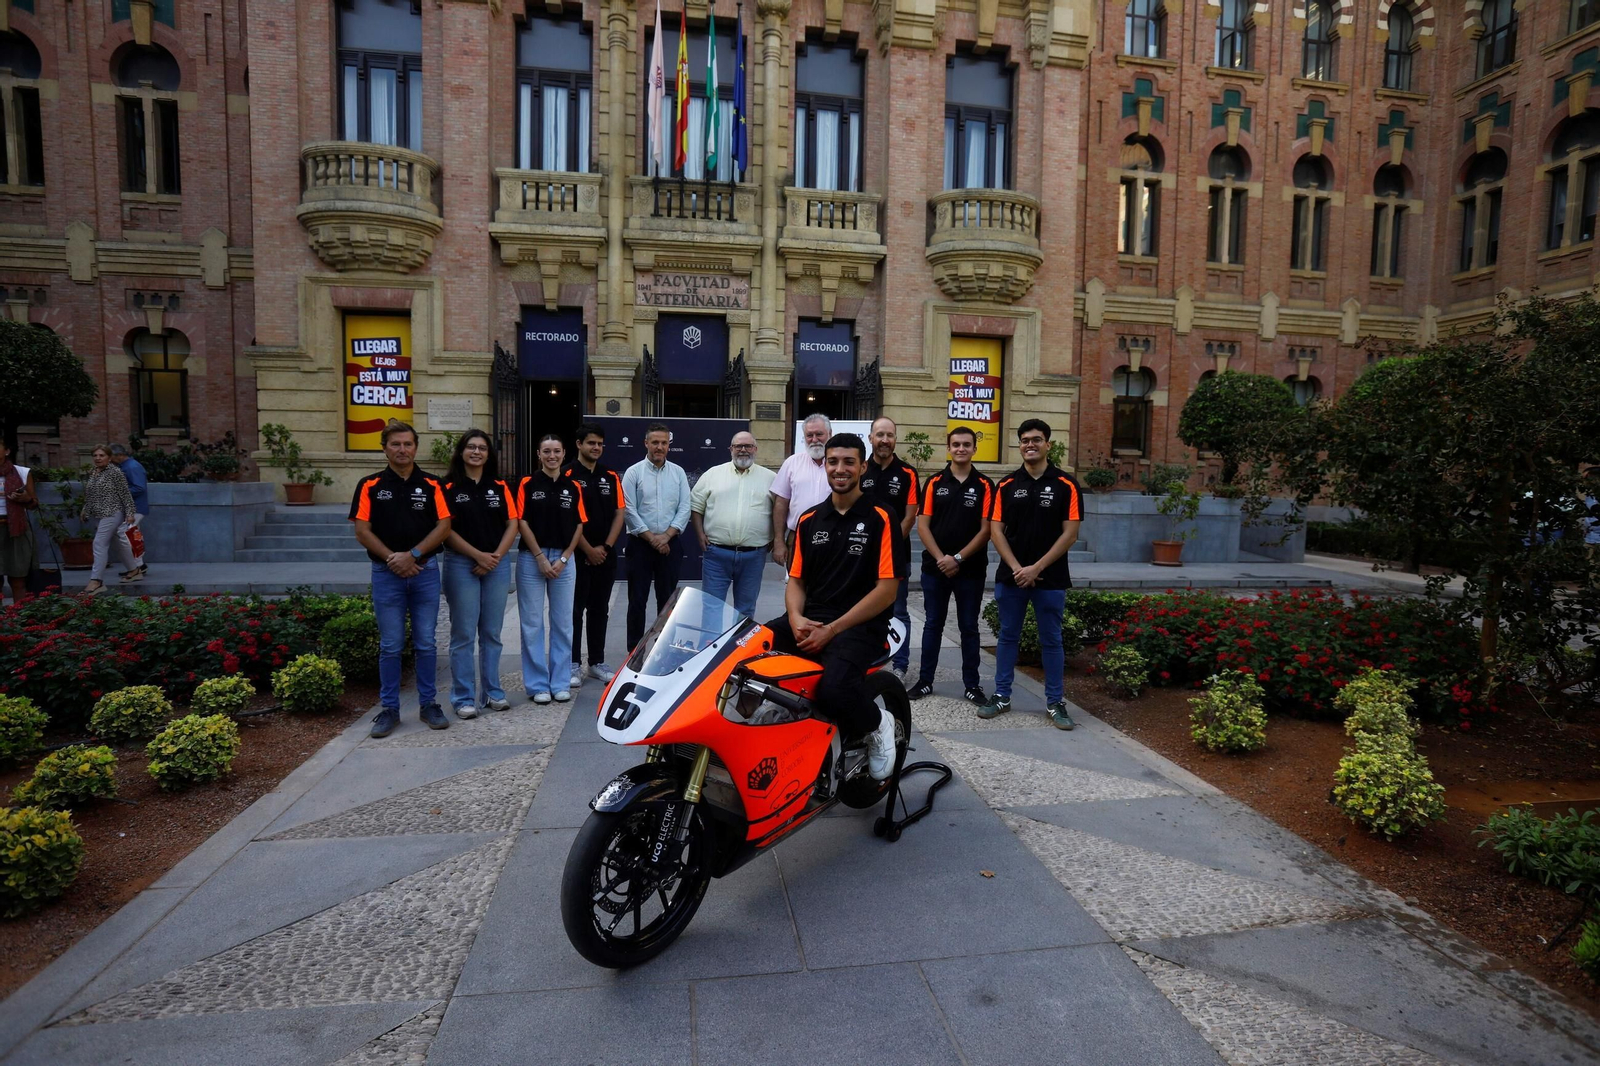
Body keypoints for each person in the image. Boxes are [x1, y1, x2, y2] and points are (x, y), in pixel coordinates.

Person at [769, 433, 902, 780]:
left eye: (848, 462)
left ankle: (878, 725)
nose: (840, 469)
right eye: (833, 461)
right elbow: (796, 581)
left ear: (862, 467)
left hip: (860, 626)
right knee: (749, 650)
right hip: (811, 617)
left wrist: (832, 630)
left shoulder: (881, 517)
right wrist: (795, 618)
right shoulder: (809, 519)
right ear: (824, 465)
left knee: (834, 690)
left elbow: (887, 591)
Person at [350, 420, 452, 738]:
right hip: (386, 574)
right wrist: (393, 559)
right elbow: (362, 531)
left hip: (424, 572)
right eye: (395, 444)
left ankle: (428, 704)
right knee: (391, 645)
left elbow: (444, 526)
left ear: (416, 448)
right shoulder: (369, 485)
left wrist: (414, 554)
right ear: (384, 448)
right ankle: (389, 709)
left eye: (408, 444)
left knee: (426, 643)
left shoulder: (433, 484)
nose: (402, 449)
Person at [985, 419, 1084, 729]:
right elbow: (996, 531)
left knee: (1052, 640)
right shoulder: (1006, 485)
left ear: (1048, 445)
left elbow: (1070, 534)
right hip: (1012, 577)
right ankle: (1002, 695)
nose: (1030, 444)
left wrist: (1037, 568)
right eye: (1025, 440)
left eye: (1037, 439)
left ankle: (1055, 702)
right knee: (1007, 637)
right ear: (1020, 445)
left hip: (1050, 578)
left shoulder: (1066, 485)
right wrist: (1018, 569)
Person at [907, 426, 994, 705]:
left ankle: (972, 685)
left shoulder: (985, 485)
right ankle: (925, 681)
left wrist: (957, 558)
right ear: (948, 448)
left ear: (974, 449)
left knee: (969, 627)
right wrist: (942, 558)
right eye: (956, 444)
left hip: (971, 570)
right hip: (935, 569)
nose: (961, 449)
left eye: (966, 444)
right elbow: (923, 526)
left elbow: (986, 530)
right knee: (933, 624)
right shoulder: (934, 482)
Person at [441, 429, 518, 720]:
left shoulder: (499, 486)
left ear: (489, 454)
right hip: (461, 564)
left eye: (482, 448)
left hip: (496, 565)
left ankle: (493, 692)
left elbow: (513, 524)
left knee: (491, 633)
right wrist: (478, 556)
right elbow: (445, 529)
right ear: (461, 451)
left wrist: (494, 556)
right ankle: (463, 697)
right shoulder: (447, 487)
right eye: (471, 447)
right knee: (463, 634)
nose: (476, 452)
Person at [516, 433, 587, 704]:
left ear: (564, 453)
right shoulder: (527, 483)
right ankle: (538, 685)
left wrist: (565, 557)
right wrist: (539, 557)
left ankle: (559, 682)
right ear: (539, 454)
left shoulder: (573, 486)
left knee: (563, 623)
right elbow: (521, 521)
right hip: (531, 559)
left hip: (563, 560)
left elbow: (579, 524)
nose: (552, 456)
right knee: (532, 624)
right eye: (546, 451)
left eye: (556, 451)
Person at [565, 422, 626, 691]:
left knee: (600, 609)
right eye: (591, 443)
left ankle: (597, 662)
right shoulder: (566, 474)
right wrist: (588, 549)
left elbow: (620, 513)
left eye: (600, 444)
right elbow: (567, 518)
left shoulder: (610, 475)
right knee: (574, 611)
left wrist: (606, 547)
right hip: (576, 555)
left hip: (605, 555)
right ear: (579, 444)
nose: (596, 448)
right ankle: (572, 663)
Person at [858, 416, 919, 676]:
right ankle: (864, 661)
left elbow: (910, 516)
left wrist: (887, 548)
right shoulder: (860, 469)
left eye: (889, 435)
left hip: (896, 558)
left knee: (899, 612)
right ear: (870, 438)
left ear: (895, 439)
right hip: (861, 558)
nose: (884, 440)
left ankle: (900, 666)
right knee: (861, 610)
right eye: (880, 435)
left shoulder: (908, 473)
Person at [621, 424, 690, 651]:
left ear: (669, 445)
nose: (659, 447)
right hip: (640, 545)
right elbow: (629, 510)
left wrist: (667, 536)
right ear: (646, 444)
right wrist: (653, 539)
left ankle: (665, 650)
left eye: (664, 443)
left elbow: (685, 508)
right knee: (637, 601)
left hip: (670, 545)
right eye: (655, 442)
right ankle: (634, 651)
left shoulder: (678, 473)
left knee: (668, 602)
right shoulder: (633, 472)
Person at [692, 430, 775, 619]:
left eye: (748, 446)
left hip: (753, 556)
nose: (743, 450)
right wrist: (699, 534)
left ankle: (740, 640)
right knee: (712, 609)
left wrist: (776, 538)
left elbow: (780, 510)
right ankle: (713, 640)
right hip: (717, 554)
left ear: (755, 449)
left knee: (745, 611)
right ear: (730, 449)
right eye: (738, 446)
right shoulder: (712, 474)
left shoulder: (770, 478)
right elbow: (696, 506)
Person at [770, 413, 833, 569]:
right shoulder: (792, 463)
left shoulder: (840, 465)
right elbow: (781, 503)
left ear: (830, 434)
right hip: (798, 537)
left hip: (834, 537)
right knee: (796, 581)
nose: (814, 439)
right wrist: (778, 541)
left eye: (819, 434)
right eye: (809, 435)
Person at [80, 445, 139, 596]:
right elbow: (91, 495)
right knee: (119, 542)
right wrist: (85, 509)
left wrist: (130, 513)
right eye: (95, 455)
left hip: (113, 512)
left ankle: (96, 581)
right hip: (98, 514)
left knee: (99, 543)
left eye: (101, 455)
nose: (98, 458)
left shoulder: (115, 472)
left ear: (109, 457)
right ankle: (134, 569)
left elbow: (126, 494)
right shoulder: (94, 472)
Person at [0, 438, 39, 606]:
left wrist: (25, 498)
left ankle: (20, 617)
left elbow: (33, 504)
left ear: (6, 451)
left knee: (18, 579)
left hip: (16, 530)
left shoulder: (22, 472)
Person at [109, 443, 148, 580]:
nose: (110, 459)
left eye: (111, 456)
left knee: (125, 535)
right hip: (134, 507)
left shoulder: (131, 467)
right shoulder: (128, 466)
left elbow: (139, 488)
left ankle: (136, 566)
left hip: (135, 507)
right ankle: (138, 565)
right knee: (131, 536)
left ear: (119, 455)